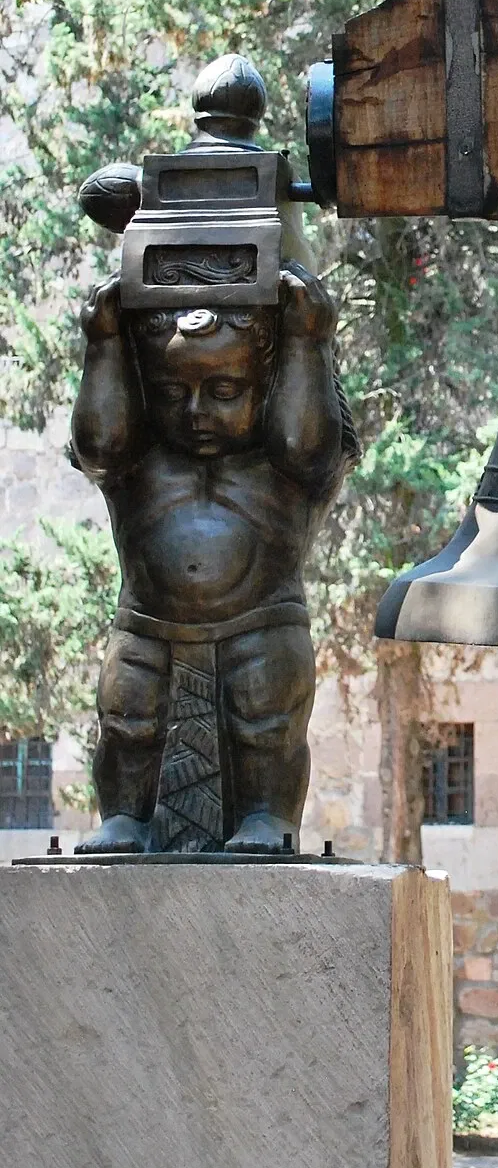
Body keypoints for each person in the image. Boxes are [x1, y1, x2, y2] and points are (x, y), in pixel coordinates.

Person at [71, 260, 355, 852]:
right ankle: (125, 813)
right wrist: (103, 345)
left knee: (267, 723)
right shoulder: (139, 456)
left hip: (262, 619)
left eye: (225, 391)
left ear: (267, 381)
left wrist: (307, 341)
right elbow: (97, 444)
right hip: (147, 622)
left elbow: (312, 447)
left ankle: (266, 815)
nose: (197, 411)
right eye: (174, 392)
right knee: (127, 721)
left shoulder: (283, 462)